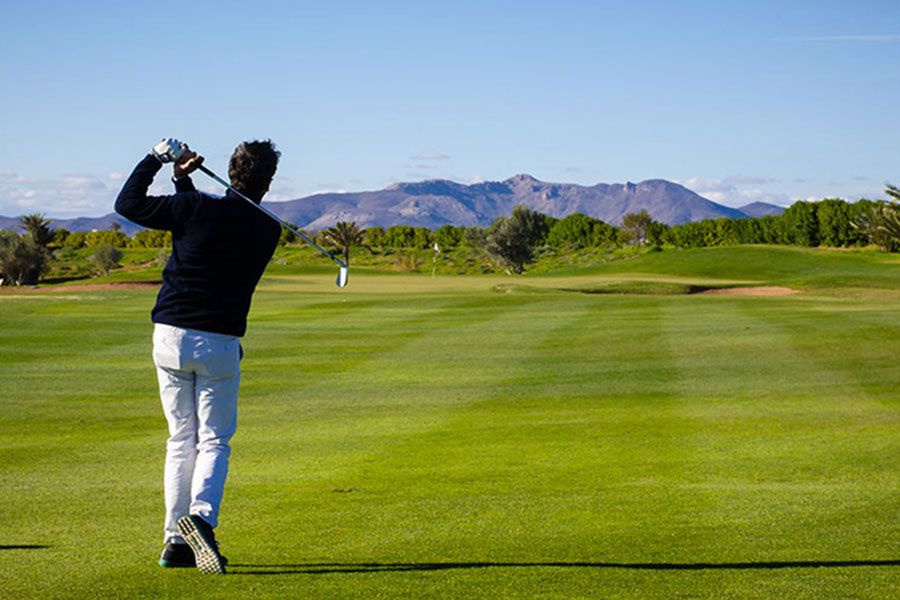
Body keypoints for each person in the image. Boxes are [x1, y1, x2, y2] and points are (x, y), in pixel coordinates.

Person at [115, 138, 283, 574]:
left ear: (231, 172)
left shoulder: (195, 209)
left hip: (170, 336)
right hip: (220, 343)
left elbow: (128, 204)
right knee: (213, 440)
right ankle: (203, 521)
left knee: (180, 439)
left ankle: (175, 541)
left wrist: (160, 161)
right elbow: (216, 223)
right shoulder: (268, 230)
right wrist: (182, 183)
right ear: (269, 182)